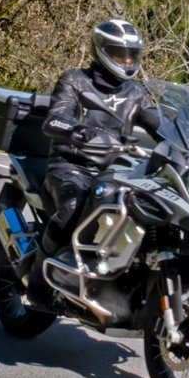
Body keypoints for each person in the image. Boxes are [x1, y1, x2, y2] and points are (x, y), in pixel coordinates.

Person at [38, 18, 161, 264]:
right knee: (73, 207)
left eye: (131, 56)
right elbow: (54, 119)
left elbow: (159, 124)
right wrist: (79, 130)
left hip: (118, 171)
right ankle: (39, 270)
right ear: (101, 50)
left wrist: (188, 136)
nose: (127, 62)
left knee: (154, 209)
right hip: (71, 166)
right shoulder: (74, 80)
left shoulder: (135, 92)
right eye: (120, 55)